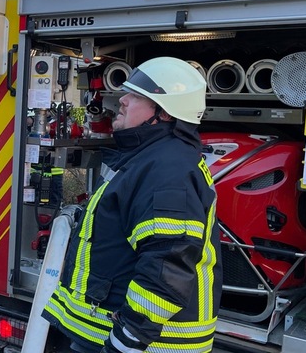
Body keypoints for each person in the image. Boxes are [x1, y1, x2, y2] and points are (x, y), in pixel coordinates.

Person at [42, 57, 222, 353]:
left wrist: (125, 342)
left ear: (163, 113)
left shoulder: (169, 169)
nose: (122, 100)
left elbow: (166, 266)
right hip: (106, 332)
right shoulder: (151, 157)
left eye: (136, 96)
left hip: (145, 343)